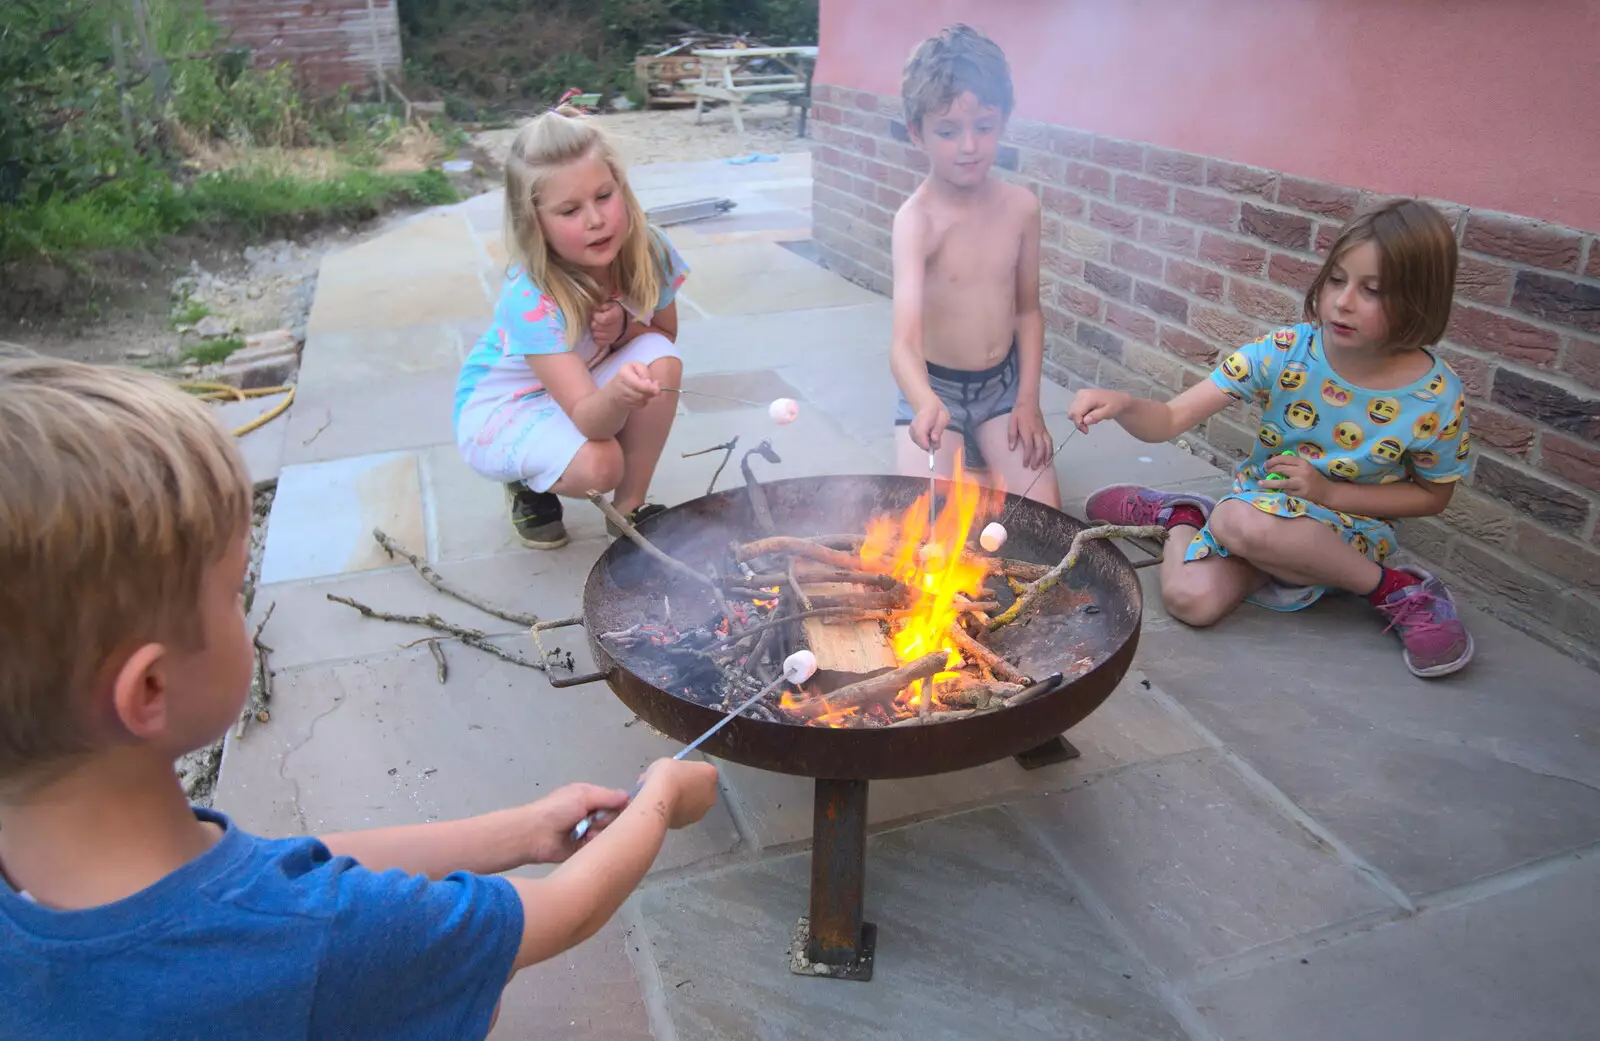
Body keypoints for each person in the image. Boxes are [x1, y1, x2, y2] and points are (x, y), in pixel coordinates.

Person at [0, 357, 721, 1038]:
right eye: (230, 597)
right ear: (149, 688)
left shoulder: (53, 873)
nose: (245, 612)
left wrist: (520, 831)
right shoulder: (319, 933)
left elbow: (272, 867)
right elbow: (561, 911)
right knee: (471, 982)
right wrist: (660, 797)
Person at [1068, 199, 1475, 678]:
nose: (1343, 302)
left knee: (1240, 523)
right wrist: (1127, 405)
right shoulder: (1285, 352)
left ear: (1419, 301)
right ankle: (1181, 516)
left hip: (1352, 532)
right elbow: (1173, 418)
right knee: (1189, 599)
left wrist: (1328, 493)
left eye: (1374, 291)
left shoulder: (1435, 397)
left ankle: (1397, 589)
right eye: (1337, 279)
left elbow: (1433, 496)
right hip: (1263, 510)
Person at [455, 108, 689, 550]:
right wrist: (618, 398)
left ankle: (628, 511)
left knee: (662, 360)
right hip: (505, 410)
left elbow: (664, 334)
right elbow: (591, 420)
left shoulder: (650, 249)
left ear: (622, 186)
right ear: (535, 222)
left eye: (604, 196)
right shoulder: (532, 296)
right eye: (569, 210)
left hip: (576, 388)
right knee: (601, 464)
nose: (595, 219)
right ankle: (524, 478)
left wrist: (623, 325)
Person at [890, 24, 1060, 507]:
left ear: (1003, 121)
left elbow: (1028, 313)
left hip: (1001, 388)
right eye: (948, 131)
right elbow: (902, 343)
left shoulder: (1021, 208)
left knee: (1044, 515)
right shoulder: (916, 221)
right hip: (934, 389)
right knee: (927, 519)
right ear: (917, 132)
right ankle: (973, 468)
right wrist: (924, 402)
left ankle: (983, 463)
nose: (969, 146)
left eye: (984, 127)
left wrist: (1028, 401)